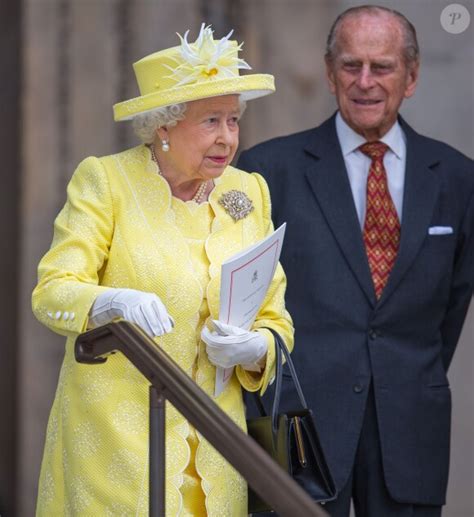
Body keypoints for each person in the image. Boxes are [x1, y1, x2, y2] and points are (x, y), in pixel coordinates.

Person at [32, 24, 293, 516]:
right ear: (163, 127)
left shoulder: (248, 191)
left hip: (217, 452)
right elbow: (52, 292)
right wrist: (111, 302)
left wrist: (257, 349)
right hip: (116, 445)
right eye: (211, 120)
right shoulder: (105, 182)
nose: (227, 138)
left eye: (233, 120)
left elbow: (276, 318)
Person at [238, 5, 474, 517]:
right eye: (350, 66)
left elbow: (451, 306)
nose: (364, 81)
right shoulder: (265, 171)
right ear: (329, 73)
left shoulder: (458, 178)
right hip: (289, 424)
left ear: (411, 77)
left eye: (382, 67)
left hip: (410, 421)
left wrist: (402, 368)